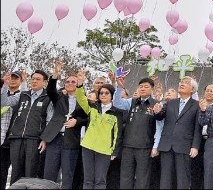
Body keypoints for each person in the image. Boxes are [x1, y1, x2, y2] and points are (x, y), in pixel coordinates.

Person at [42, 60, 88, 189]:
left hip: (71, 140)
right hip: (55, 138)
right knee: (49, 174)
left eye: (73, 81)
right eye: (67, 81)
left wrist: (77, 122)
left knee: (68, 175)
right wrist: (56, 73)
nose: (69, 83)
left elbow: (88, 118)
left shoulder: (83, 100)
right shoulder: (60, 97)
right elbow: (50, 90)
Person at [75, 69, 124, 189]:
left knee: (100, 181)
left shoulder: (116, 112)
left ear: (112, 95)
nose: (103, 95)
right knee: (87, 180)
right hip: (88, 146)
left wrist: (115, 151)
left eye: (107, 93)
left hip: (105, 150)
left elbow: (118, 134)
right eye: (101, 93)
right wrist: (80, 84)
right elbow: (81, 98)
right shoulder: (92, 107)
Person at [2, 69, 52, 185]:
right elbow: (4, 102)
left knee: (30, 174)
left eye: (38, 79)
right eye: (33, 79)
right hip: (16, 138)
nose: (34, 81)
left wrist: (44, 139)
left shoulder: (48, 98)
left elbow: (49, 120)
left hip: (34, 140)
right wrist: (5, 84)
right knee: (16, 174)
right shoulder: (22, 95)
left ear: (45, 82)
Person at [112, 75, 162, 189]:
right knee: (125, 178)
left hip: (145, 147)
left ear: (152, 89)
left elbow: (159, 128)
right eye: (140, 86)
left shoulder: (157, 104)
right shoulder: (132, 101)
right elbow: (117, 103)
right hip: (128, 146)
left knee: (142, 179)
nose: (142, 89)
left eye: (146, 86)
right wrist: (119, 87)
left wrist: (156, 146)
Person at [153, 76, 201, 189]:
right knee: (165, 179)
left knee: (182, 178)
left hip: (184, 145)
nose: (182, 84)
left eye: (186, 83)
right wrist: (157, 112)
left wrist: (195, 146)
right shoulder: (171, 103)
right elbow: (160, 117)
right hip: (167, 144)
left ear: (192, 89)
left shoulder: (196, 105)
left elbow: (197, 128)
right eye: (181, 82)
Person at [0, 71, 26, 190]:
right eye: (10, 78)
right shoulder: (3, 93)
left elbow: (26, 98)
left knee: (13, 172)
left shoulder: (21, 96)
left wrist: (25, 84)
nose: (13, 80)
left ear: (21, 81)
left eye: (16, 78)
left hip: (13, 140)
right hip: (1, 138)